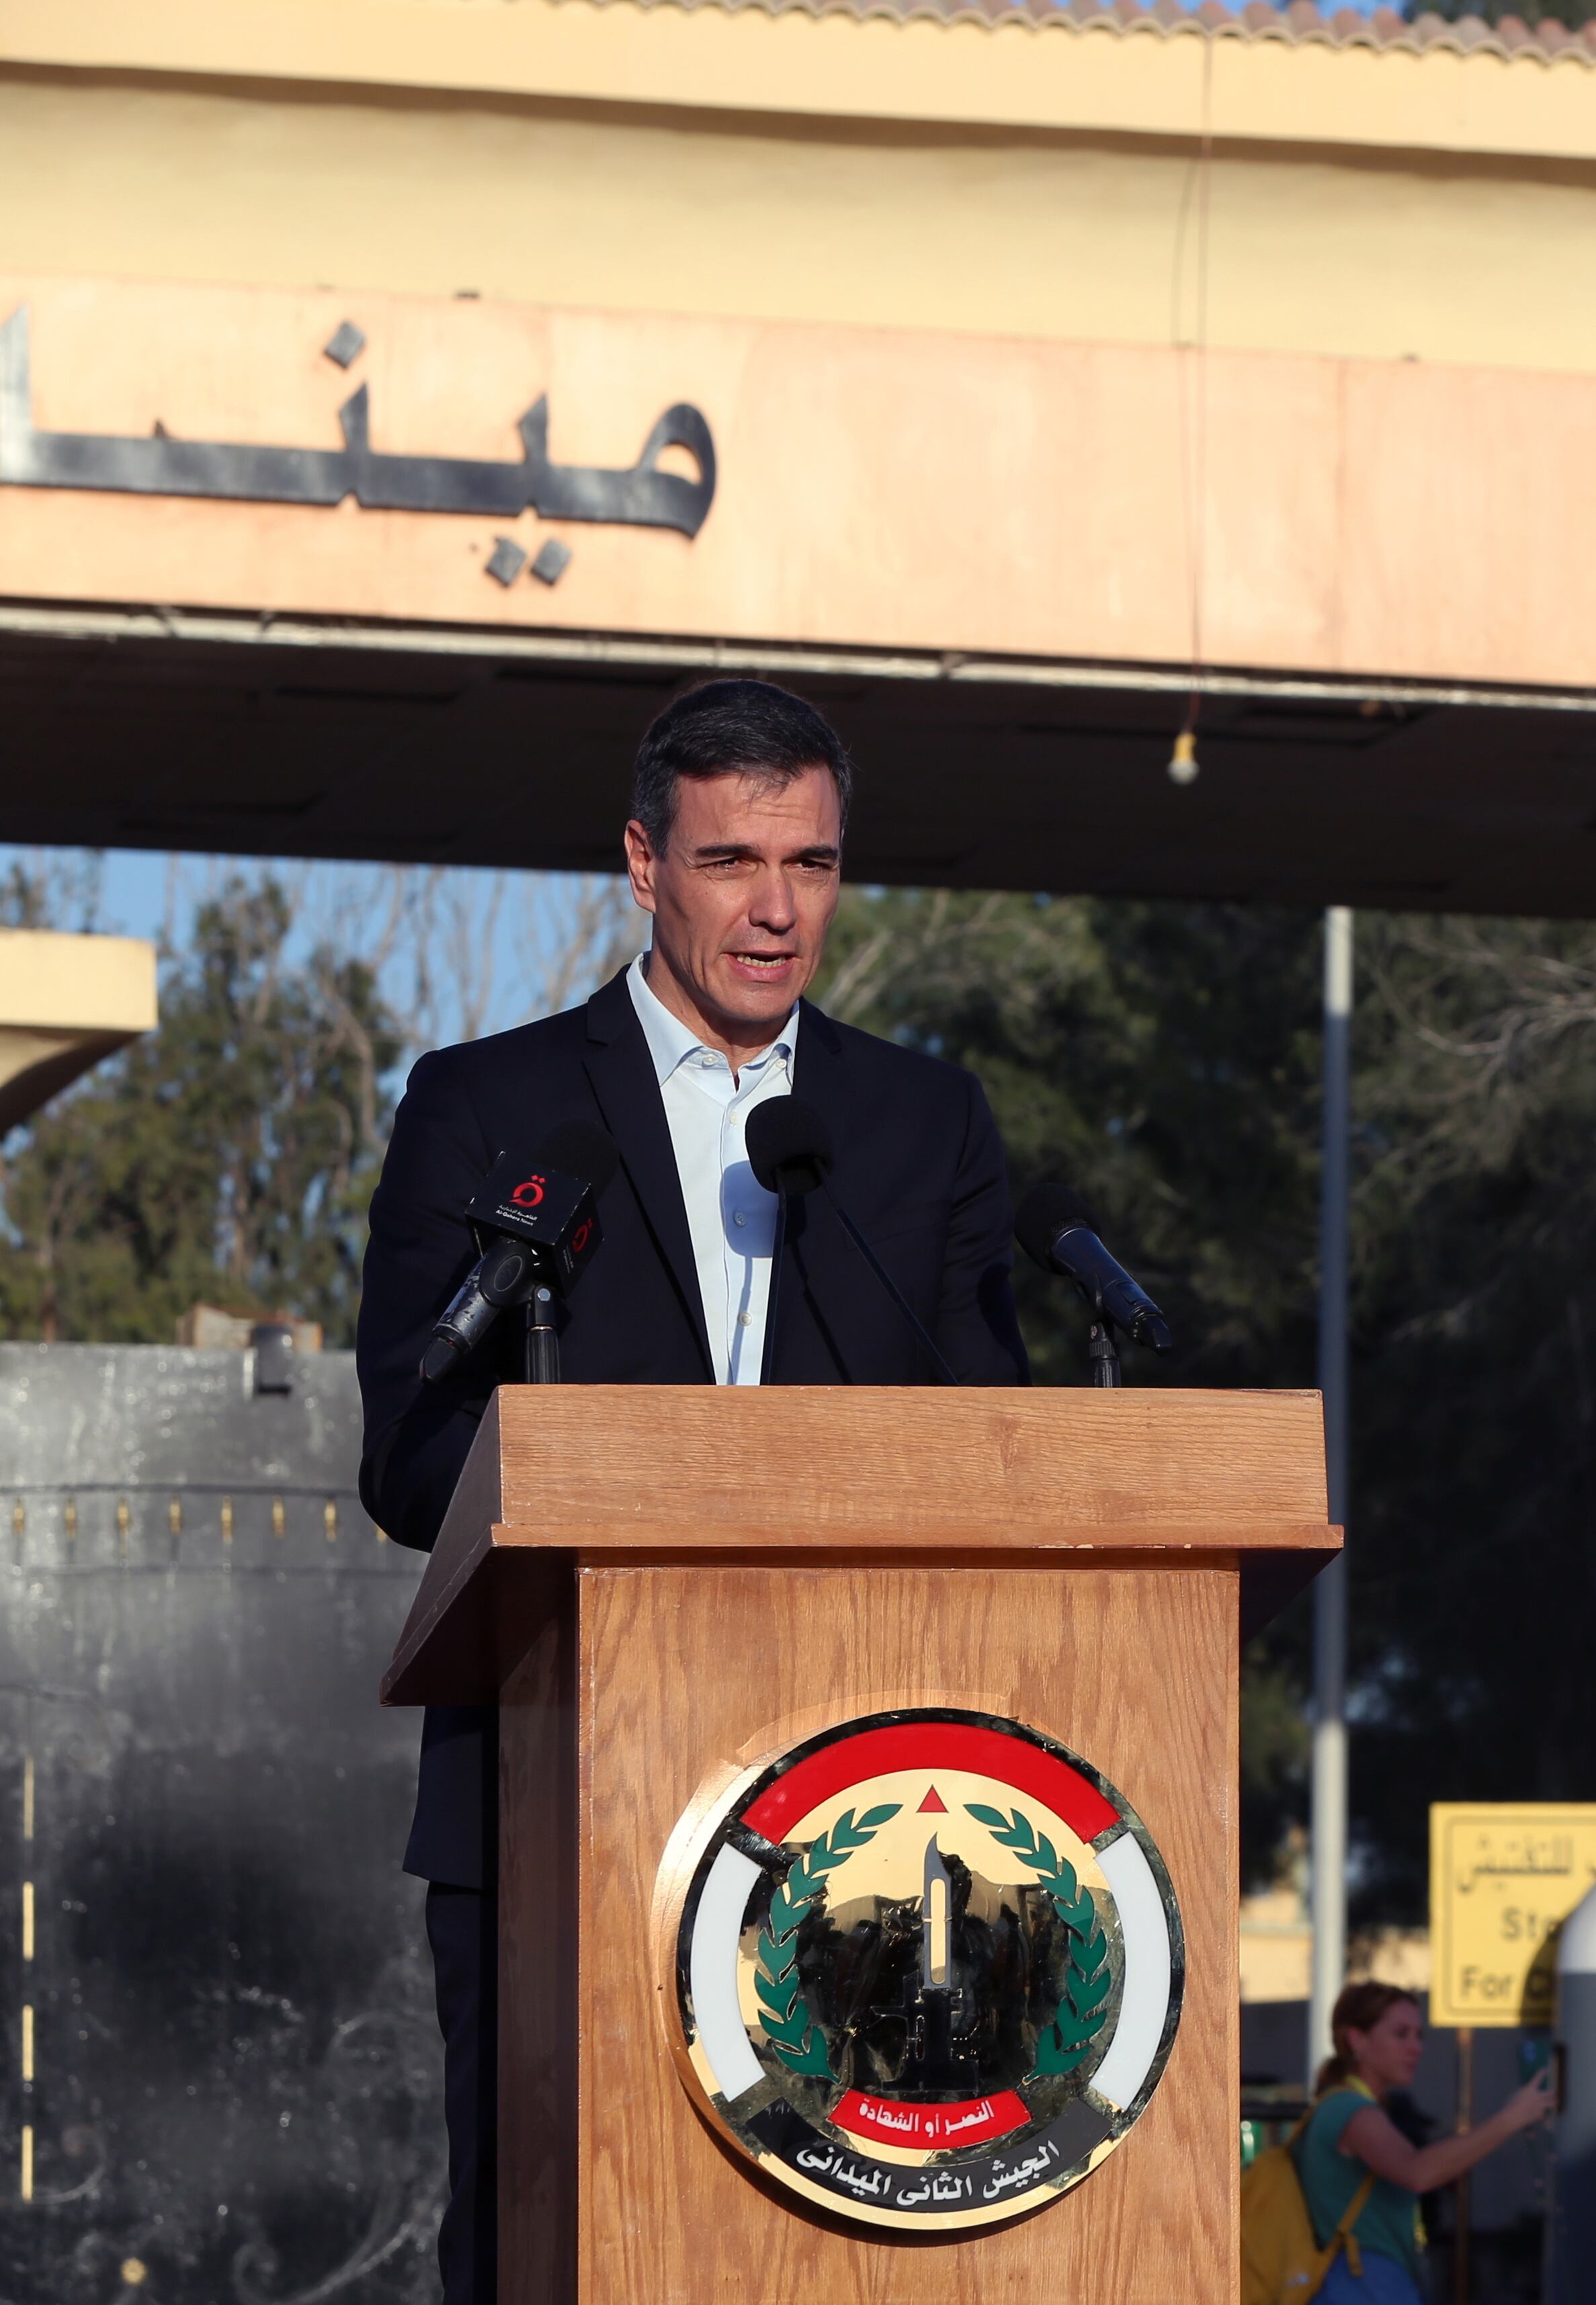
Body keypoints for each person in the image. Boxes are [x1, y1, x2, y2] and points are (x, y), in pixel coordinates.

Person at [354, 679, 1031, 2305]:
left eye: (813, 862)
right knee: (542, 2242)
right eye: (733, 862)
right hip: (557, 1773)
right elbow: (406, 1448)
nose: (778, 908)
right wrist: (621, 1510)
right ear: (644, 863)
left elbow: (994, 1444)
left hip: (869, 1803)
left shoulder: (921, 1124)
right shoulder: (490, 1102)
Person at [1298, 1983, 1555, 2303]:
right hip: (1362, 2286)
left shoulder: (1357, 2106)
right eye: (1401, 2034)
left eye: (1419, 2035)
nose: (1415, 2047)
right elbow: (1416, 2172)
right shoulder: (1348, 2109)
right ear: (1356, 2039)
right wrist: (1512, 2117)